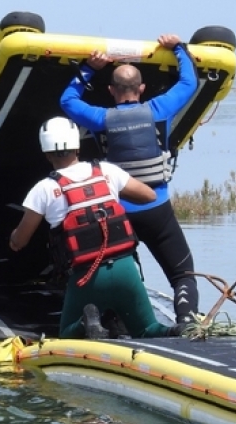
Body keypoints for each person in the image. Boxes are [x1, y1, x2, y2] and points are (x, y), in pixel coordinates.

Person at [60, 34, 200, 326]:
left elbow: (67, 100)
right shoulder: (159, 109)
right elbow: (189, 83)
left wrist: (89, 68)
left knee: (115, 270)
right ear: (142, 88)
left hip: (116, 213)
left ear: (111, 90)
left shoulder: (100, 118)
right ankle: (187, 319)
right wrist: (178, 47)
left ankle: (110, 324)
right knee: (183, 273)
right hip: (157, 209)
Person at [9, 116, 183, 339]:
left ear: (46, 154)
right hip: (125, 270)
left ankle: (86, 322)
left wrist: (13, 238)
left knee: (66, 335)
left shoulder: (44, 189)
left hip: (86, 277)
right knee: (147, 329)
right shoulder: (106, 171)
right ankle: (178, 329)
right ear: (77, 147)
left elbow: (20, 241)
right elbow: (148, 195)